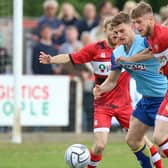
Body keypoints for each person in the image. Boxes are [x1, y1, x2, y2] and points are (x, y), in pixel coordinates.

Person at [39, 16, 163, 168]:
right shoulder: (95, 49)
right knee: (99, 145)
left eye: (118, 31)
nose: (115, 34)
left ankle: (157, 165)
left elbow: (152, 47)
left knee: (141, 139)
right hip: (103, 105)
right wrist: (52, 60)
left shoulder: (126, 49)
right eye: (112, 30)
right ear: (105, 31)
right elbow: (71, 57)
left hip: (124, 104)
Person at [93, 12, 167, 168]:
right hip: (146, 100)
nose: (119, 35)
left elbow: (152, 50)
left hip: (163, 97)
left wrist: (130, 60)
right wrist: (100, 89)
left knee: (161, 145)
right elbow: (111, 81)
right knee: (132, 140)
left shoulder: (145, 41)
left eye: (122, 31)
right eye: (116, 32)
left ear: (132, 27)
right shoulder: (117, 54)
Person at [117, 1, 168, 158]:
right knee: (160, 145)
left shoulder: (163, 35)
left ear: (151, 19)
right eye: (134, 23)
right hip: (159, 95)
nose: (137, 26)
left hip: (160, 94)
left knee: (159, 139)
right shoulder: (151, 38)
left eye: (139, 22)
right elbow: (151, 51)